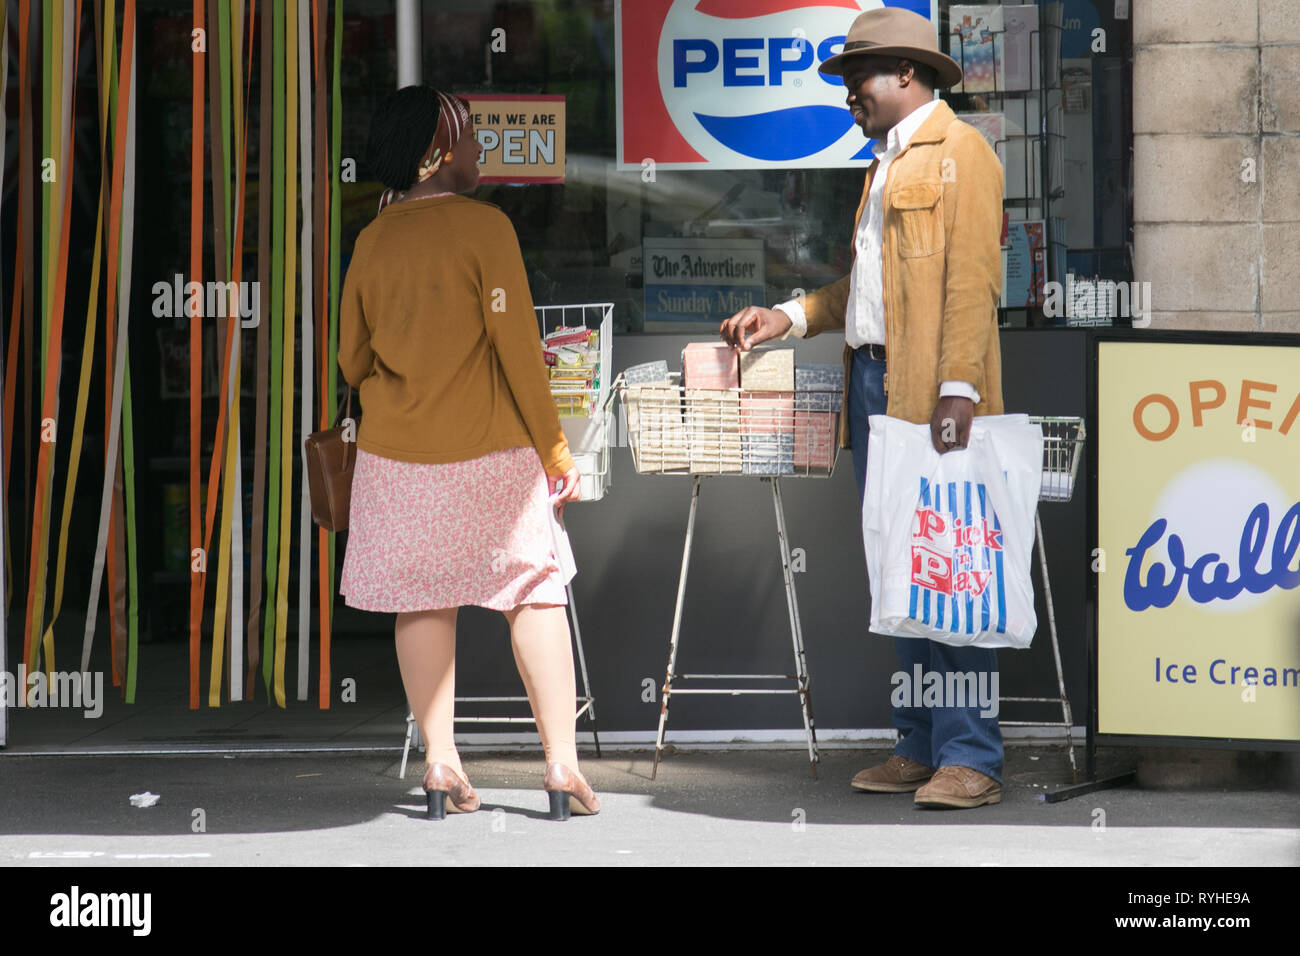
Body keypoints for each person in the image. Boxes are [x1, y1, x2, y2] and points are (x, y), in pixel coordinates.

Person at [719, 8, 1006, 809]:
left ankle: (973, 758)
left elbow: (972, 283)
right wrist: (790, 317)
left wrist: (959, 389)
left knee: (951, 577)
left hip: (932, 394)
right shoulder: (886, 163)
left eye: (859, 78)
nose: (851, 93)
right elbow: (870, 291)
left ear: (907, 75)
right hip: (876, 387)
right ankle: (919, 746)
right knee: (903, 575)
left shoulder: (964, 154)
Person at [337, 86, 599, 821]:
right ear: (436, 153)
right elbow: (519, 353)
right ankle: (559, 766)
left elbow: (349, 360)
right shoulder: (487, 230)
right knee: (535, 590)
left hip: (395, 457)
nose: (480, 148)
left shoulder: (373, 240)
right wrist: (556, 451)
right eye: (469, 137)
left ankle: (441, 763)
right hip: (491, 455)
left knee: (423, 599)